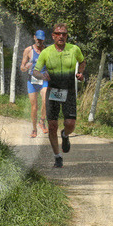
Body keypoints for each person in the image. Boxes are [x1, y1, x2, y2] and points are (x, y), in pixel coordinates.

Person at [32, 22, 85, 168]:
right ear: (53, 36)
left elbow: (82, 61)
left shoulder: (74, 49)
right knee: (52, 125)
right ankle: (57, 157)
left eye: (64, 34)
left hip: (69, 91)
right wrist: (42, 76)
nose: (61, 36)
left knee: (70, 123)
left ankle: (65, 135)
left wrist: (80, 73)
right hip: (53, 91)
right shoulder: (46, 52)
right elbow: (35, 71)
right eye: (58, 34)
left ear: (67, 36)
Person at [20, 29, 48, 137]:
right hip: (32, 81)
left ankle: (42, 121)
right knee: (34, 107)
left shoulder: (47, 51)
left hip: (43, 80)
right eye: (37, 39)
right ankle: (34, 129)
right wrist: (25, 67)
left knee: (46, 100)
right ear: (34, 37)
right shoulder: (28, 50)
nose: (39, 42)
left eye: (41, 40)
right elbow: (22, 67)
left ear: (43, 40)